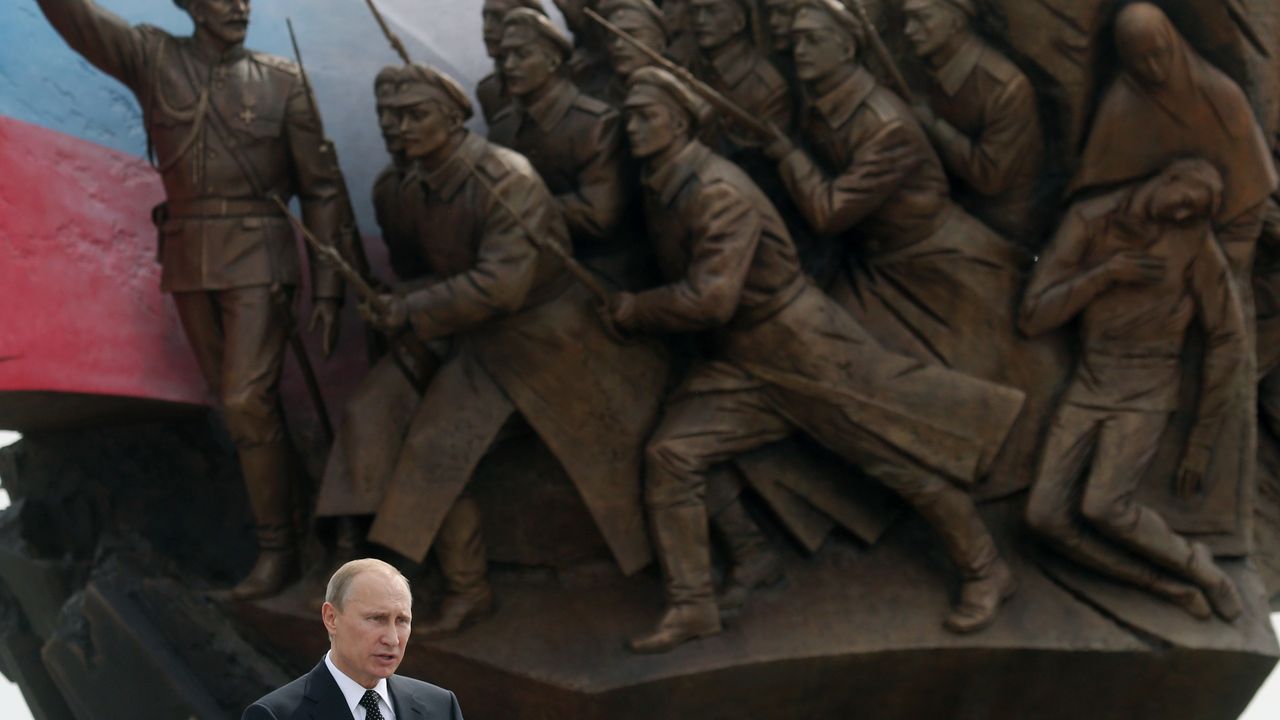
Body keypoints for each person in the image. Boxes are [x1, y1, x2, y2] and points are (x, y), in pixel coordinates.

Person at [610, 66, 1026, 653]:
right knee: (674, 455)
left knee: (894, 458)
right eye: (629, 114)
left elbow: (712, 298)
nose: (631, 126)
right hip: (743, 360)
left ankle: (986, 569)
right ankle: (702, 598)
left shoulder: (715, 191)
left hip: (804, 347)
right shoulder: (664, 181)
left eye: (644, 114)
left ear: (680, 122)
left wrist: (639, 309)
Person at [34, 0, 349, 599]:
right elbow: (77, 20)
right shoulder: (153, 57)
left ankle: (279, 552)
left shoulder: (283, 81)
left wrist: (331, 287)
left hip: (260, 253)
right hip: (188, 256)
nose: (237, 7)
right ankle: (308, 524)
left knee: (246, 399)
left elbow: (323, 188)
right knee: (238, 408)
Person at [361, 65, 667, 638]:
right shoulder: (399, 187)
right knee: (424, 446)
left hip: (551, 337)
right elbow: (422, 272)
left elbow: (501, 285)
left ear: (452, 118)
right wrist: (394, 300)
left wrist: (412, 308)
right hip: (482, 340)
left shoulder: (507, 178)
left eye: (412, 114)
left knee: (642, 452)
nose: (395, 127)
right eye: (386, 116)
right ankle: (466, 589)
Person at [769, 0, 1067, 497]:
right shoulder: (830, 101)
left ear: (846, 47)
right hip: (881, 263)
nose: (796, 51)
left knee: (1003, 377)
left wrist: (786, 156)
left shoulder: (891, 123)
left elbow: (829, 211)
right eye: (796, 40)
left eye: (811, 40)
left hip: (939, 259)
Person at [1021, 159, 1246, 621]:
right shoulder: (1090, 220)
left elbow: (1227, 337)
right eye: (1186, 202)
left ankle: (1203, 572)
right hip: (1090, 381)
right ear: (1169, 177)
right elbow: (1033, 316)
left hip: (1148, 388)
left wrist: (1201, 440)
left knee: (1104, 506)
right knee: (1043, 517)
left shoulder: (1195, 241)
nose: (1185, 215)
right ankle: (1162, 586)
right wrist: (1104, 274)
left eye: (1197, 212)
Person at [242, 559, 463, 720]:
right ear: (331, 618)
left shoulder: (441, 708)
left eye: (402, 620)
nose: (393, 639)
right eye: (377, 618)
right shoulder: (274, 715)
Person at [902, 0, 1045, 246]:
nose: (908, 30)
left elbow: (989, 177)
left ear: (956, 22)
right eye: (907, 19)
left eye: (922, 19)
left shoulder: (1006, 88)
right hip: (942, 212)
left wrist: (932, 124)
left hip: (997, 231)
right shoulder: (922, 69)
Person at [477, 0, 549, 124]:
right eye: (485, 18)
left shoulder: (569, 74)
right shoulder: (488, 91)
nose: (487, 28)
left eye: (498, 18)